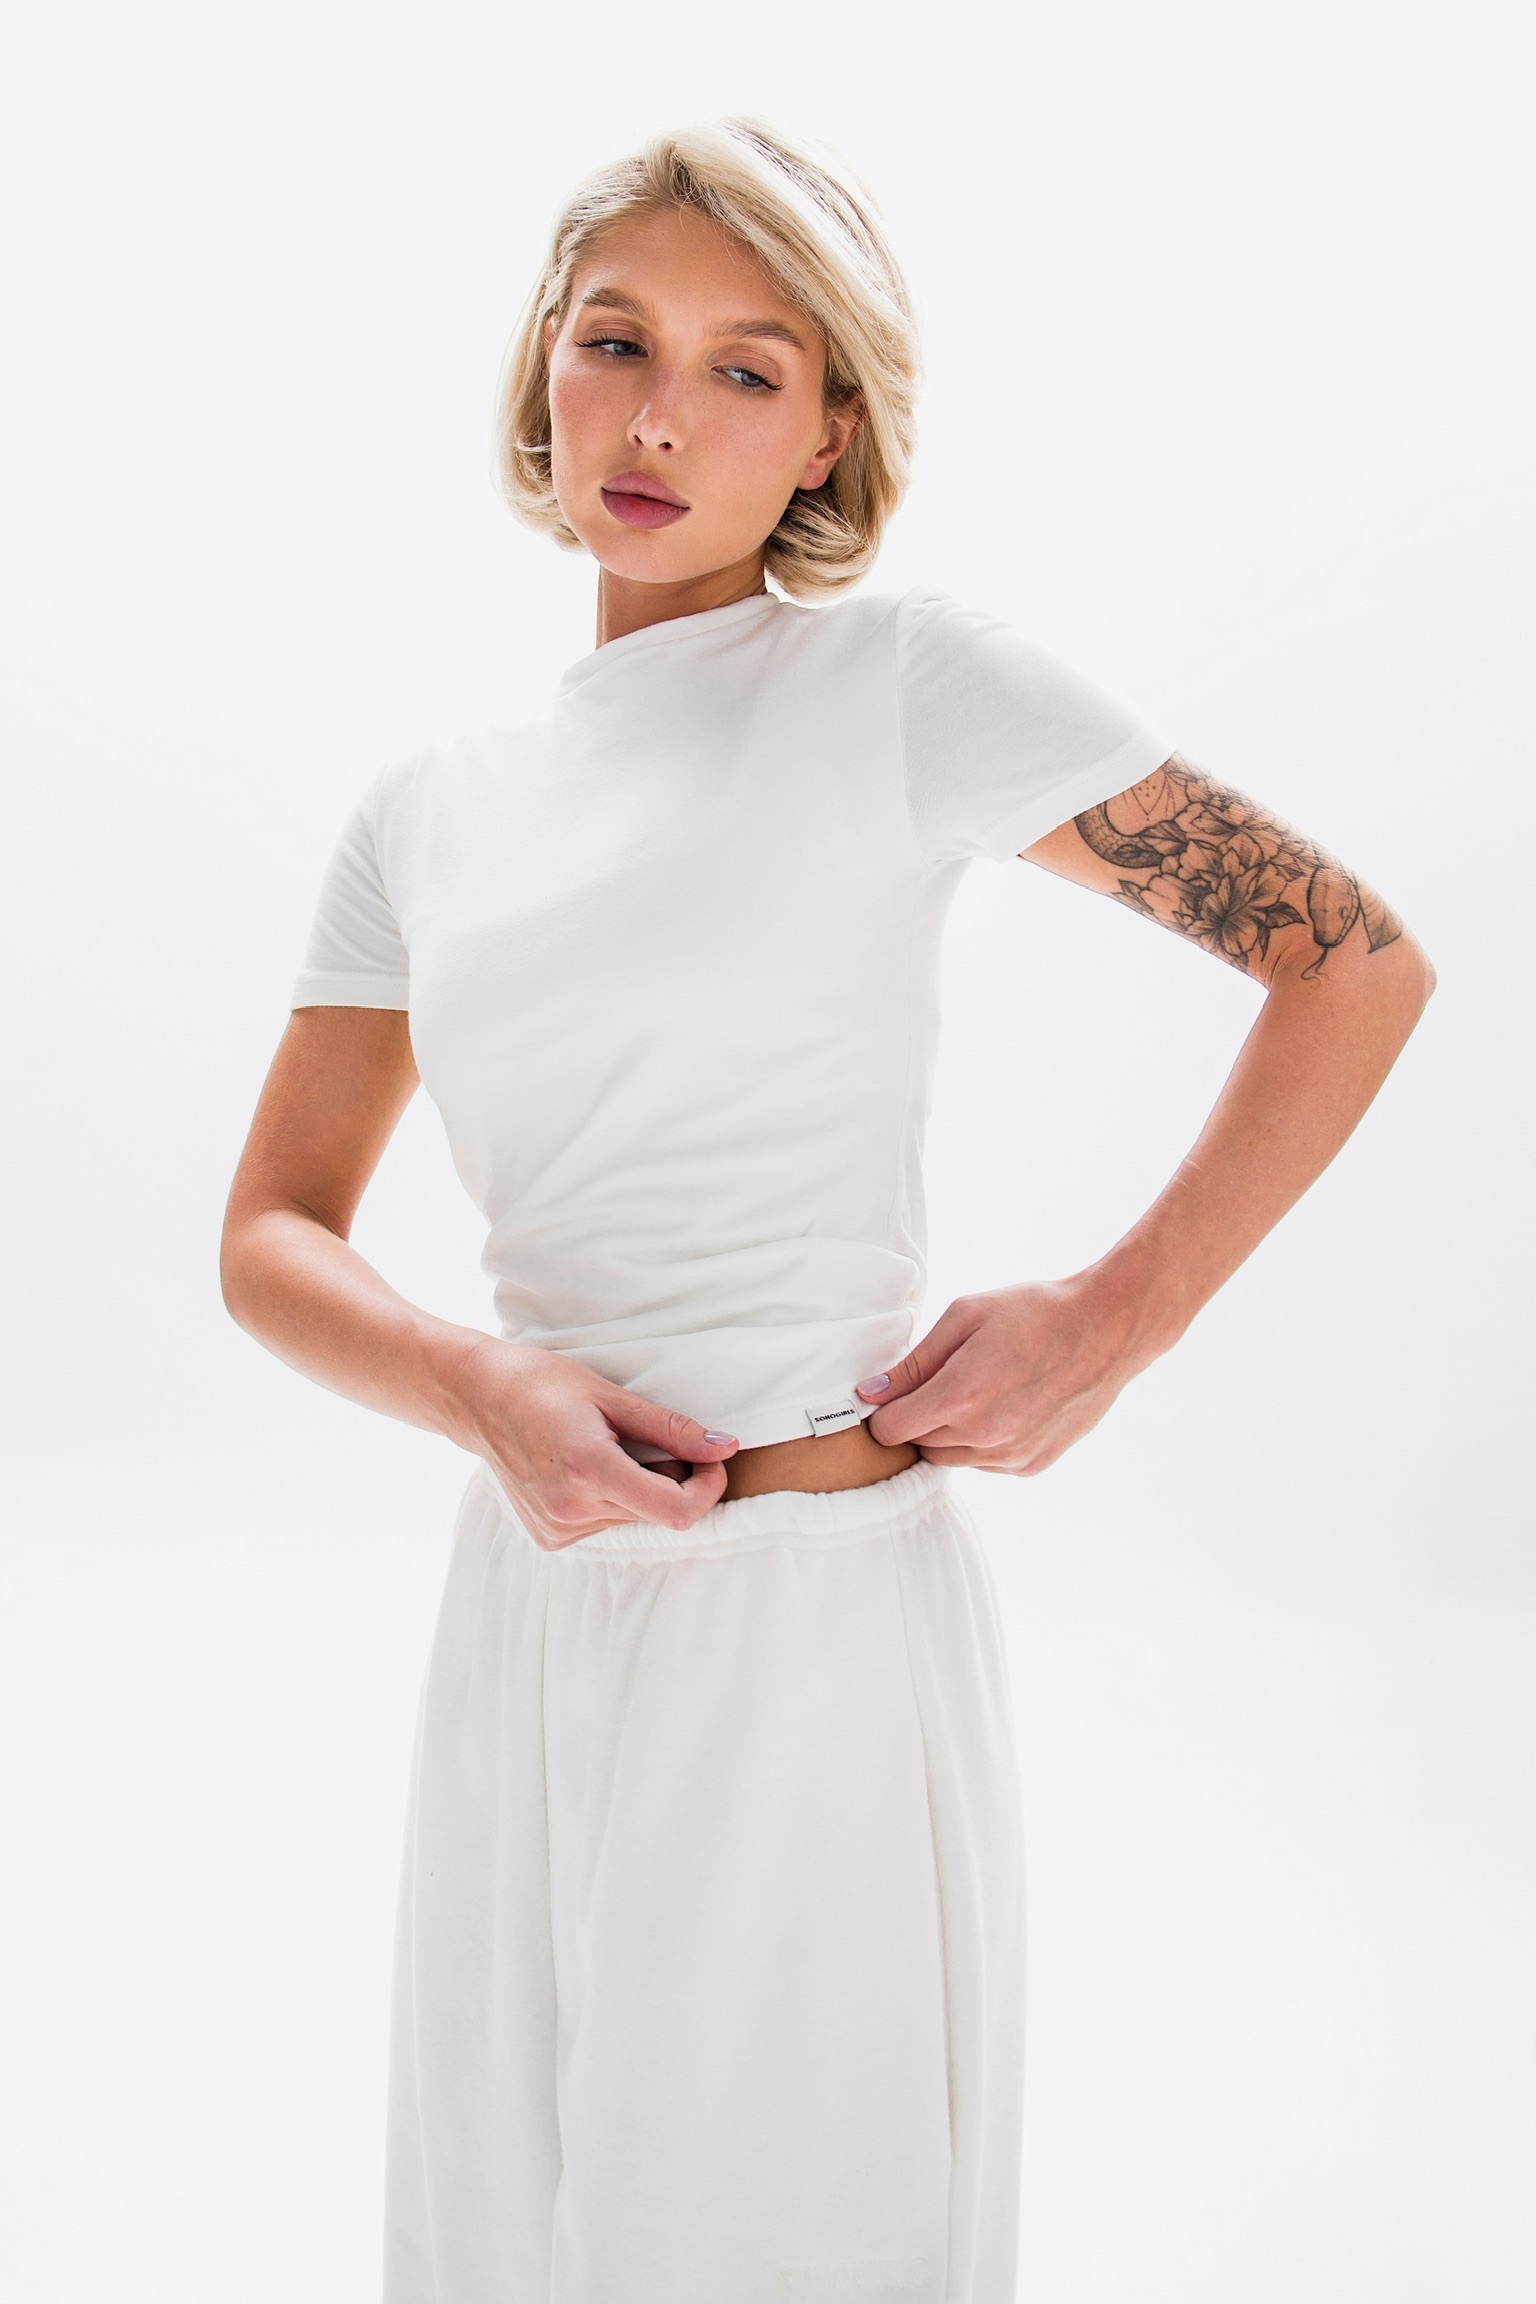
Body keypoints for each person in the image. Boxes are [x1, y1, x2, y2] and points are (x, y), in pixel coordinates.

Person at [219, 118, 1435, 2304]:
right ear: (544, 363)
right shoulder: (427, 810)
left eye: (746, 370)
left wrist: (1118, 1315)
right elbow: (273, 1235)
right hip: (528, 1612)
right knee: (493, 2246)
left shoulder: (901, 684)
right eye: (617, 342)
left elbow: (1352, 963)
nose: (659, 417)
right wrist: (480, 1386)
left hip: (808, 1633)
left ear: (830, 431)